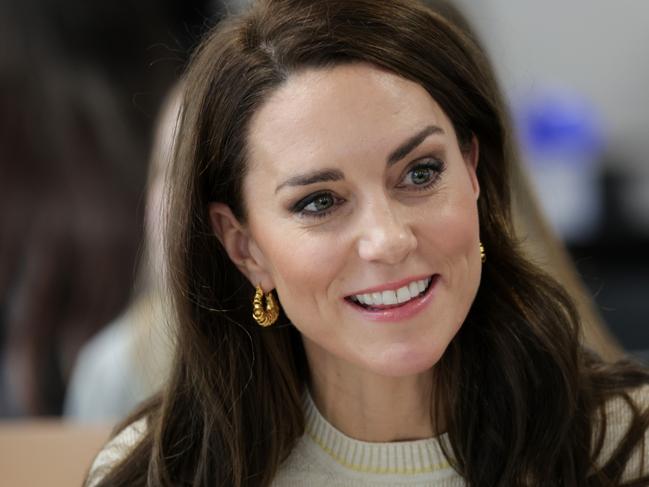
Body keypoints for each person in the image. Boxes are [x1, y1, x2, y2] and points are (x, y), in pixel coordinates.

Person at [86, 0, 649, 485]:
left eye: (421, 173)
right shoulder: (157, 473)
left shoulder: (626, 447)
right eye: (320, 202)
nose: (388, 240)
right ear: (244, 247)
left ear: (473, 173)